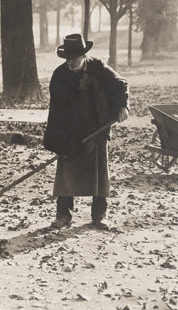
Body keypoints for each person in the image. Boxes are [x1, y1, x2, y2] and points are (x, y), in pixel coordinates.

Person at [43, 33, 129, 229]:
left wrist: (123, 107)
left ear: (83, 55)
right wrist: (60, 140)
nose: (71, 62)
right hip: (69, 132)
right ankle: (63, 215)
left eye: (75, 58)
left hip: (97, 128)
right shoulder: (60, 75)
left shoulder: (97, 67)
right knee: (66, 175)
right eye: (68, 58)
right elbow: (56, 111)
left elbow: (120, 85)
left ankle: (99, 215)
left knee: (100, 175)